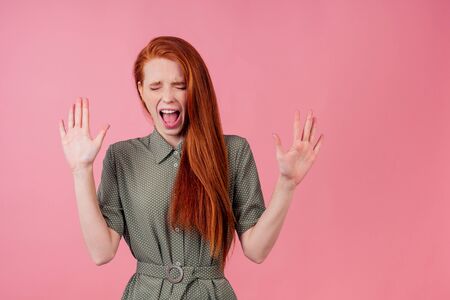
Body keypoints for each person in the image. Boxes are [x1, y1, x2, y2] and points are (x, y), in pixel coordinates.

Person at [59, 36, 323, 300]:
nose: (167, 97)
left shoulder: (233, 152)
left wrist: (287, 184)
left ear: (197, 89)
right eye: (155, 86)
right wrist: (81, 171)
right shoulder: (122, 157)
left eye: (180, 86)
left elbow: (256, 249)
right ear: (141, 91)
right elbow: (101, 252)